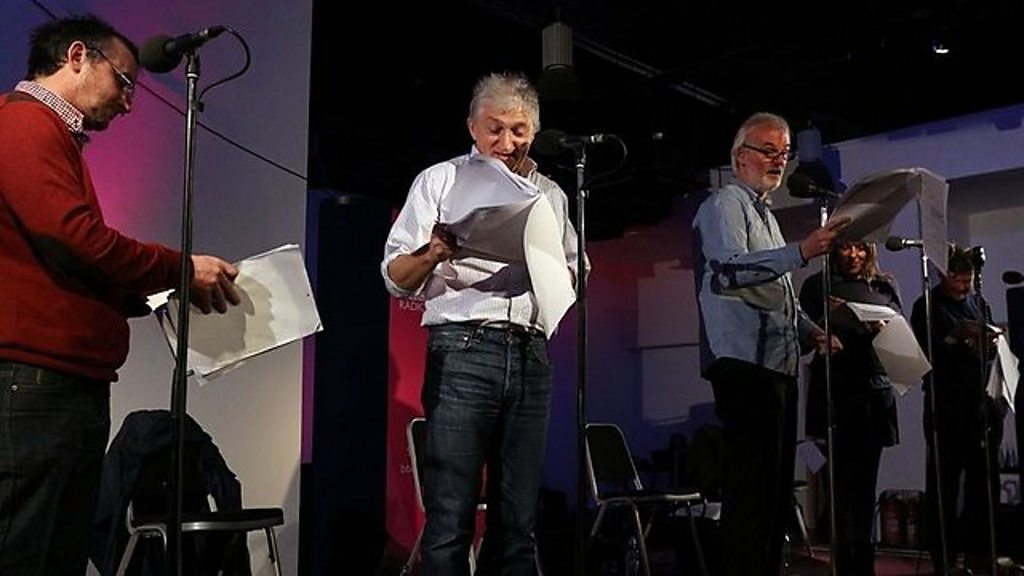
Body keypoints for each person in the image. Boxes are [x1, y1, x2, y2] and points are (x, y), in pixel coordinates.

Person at [0, 14, 240, 575]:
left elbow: (69, 264)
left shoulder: (48, 133)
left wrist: (160, 293)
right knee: (23, 550)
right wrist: (180, 267)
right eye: (125, 81)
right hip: (36, 384)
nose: (129, 103)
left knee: (56, 553)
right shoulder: (24, 123)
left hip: (65, 383)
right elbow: (75, 238)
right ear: (77, 57)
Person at [381, 71, 584, 575]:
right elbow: (394, 276)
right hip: (463, 349)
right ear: (472, 127)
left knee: (517, 520)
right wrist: (433, 252)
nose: (506, 143)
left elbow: (574, 269)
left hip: (531, 352)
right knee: (450, 517)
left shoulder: (552, 194)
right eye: (495, 129)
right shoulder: (441, 180)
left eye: (518, 130)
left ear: (534, 132)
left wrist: (559, 275)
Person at [691, 111, 848, 576]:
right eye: (768, 150)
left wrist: (810, 330)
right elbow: (730, 268)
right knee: (752, 492)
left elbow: (780, 295)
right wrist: (801, 251)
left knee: (777, 491)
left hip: (778, 365)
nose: (779, 160)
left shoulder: (767, 217)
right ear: (740, 157)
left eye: (784, 152)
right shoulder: (724, 204)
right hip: (744, 363)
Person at [799, 240, 902, 575]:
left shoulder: (883, 286)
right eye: (846, 248)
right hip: (835, 396)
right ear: (834, 250)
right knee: (840, 490)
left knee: (865, 489)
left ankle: (864, 566)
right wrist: (824, 326)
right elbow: (800, 340)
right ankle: (844, 566)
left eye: (861, 248)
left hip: (873, 394)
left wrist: (880, 329)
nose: (854, 255)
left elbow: (901, 351)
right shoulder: (817, 285)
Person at [911, 243, 1006, 575]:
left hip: (980, 406)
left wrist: (990, 343)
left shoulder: (979, 302)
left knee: (984, 485)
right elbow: (924, 356)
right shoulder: (927, 305)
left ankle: (981, 553)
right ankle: (946, 559)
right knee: (945, 486)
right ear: (942, 273)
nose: (964, 285)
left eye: (968, 278)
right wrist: (957, 340)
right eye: (958, 279)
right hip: (946, 408)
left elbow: (989, 352)